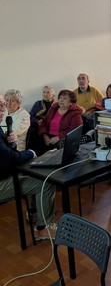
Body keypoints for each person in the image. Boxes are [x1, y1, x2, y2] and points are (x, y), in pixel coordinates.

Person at [0, 94, 56, 241]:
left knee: (37, 174)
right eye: (0, 105)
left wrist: (10, 143)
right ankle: (43, 229)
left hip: (7, 171)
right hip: (2, 180)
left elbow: (5, 154)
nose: (3, 109)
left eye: (3, 104)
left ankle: (34, 212)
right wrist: (31, 153)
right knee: (46, 182)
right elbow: (11, 159)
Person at [38, 90, 83, 155]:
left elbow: (74, 130)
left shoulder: (75, 113)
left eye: (65, 98)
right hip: (47, 138)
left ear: (71, 102)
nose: (61, 100)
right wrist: (44, 135)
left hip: (62, 140)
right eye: (60, 98)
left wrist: (58, 137)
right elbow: (43, 122)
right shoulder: (53, 108)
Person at [27, 86, 55, 151]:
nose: (45, 94)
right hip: (38, 124)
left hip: (50, 125)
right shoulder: (38, 104)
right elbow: (30, 116)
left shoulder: (56, 105)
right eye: (44, 92)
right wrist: (37, 121)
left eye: (48, 92)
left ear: (53, 95)